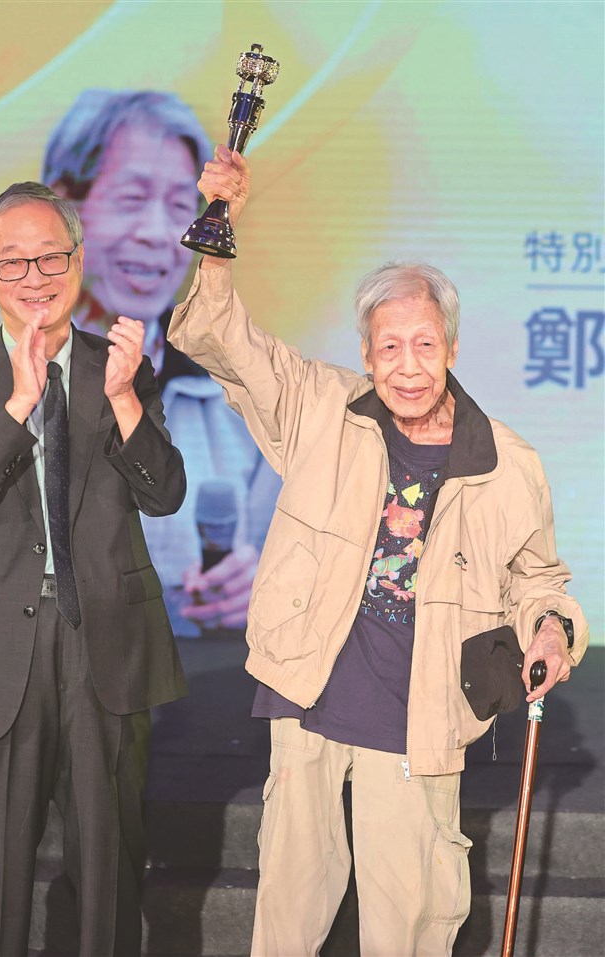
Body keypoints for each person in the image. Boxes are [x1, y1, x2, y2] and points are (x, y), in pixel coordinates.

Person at [167, 147, 589, 956]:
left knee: (409, 924)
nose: (407, 366)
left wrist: (549, 627)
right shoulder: (320, 410)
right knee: (287, 919)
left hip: (419, 713)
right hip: (311, 697)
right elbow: (222, 338)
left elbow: (539, 578)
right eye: (388, 347)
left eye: (424, 345)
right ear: (366, 354)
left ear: (452, 348)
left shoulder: (508, 462)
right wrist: (219, 230)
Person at [0, 90, 280, 636]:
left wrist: (253, 590)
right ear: (66, 212)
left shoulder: (231, 399)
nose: (156, 232)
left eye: (178, 204)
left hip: (158, 668)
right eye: (131, 197)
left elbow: (292, 573)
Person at [0, 181, 187, 956]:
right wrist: (18, 404)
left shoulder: (122, 367)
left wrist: (125, 399)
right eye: (13, 262)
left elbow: (165, 492)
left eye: (50, 258)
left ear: (78, 259)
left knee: (108, 862)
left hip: (105, 640)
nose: (33, 277)